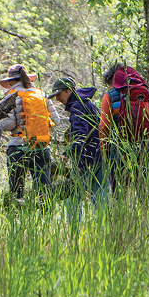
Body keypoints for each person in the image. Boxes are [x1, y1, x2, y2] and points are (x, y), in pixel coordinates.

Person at [100, 62, 149, 186]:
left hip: (119, 153)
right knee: (147, 196)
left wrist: (105, 154)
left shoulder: (110, 96)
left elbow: (103, 126)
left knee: (119, 198)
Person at [0, 63, 53, 202]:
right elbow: (56, 121)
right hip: (41, 146)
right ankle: (45, 218)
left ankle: (18, 219)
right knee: (44, 192)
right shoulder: (41, 94)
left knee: (17, 192)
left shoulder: (10, 96)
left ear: (11, 81)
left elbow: (8, 124)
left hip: (18, 147)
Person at [52, 75, 110, 211]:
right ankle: (106, 229)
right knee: (101, 197)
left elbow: (80, 135)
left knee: (72, 198)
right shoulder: (86, 103)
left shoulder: (77, 106)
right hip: (100, 155)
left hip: (86, 160)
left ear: (68, 90)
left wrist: (67, 154)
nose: (57, 99)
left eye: (59, 94)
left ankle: (74, 230)